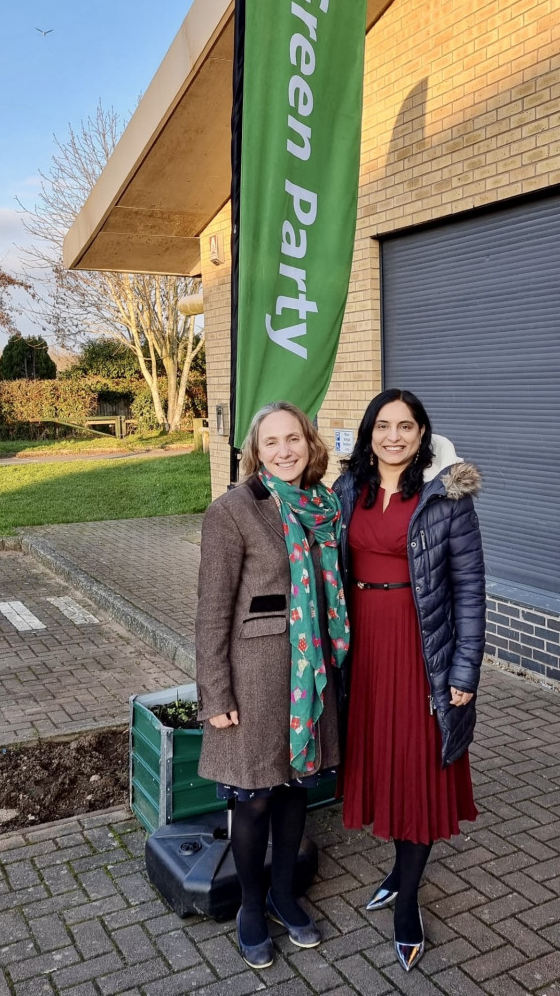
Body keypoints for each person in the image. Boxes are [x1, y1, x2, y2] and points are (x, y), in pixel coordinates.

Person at [334, 388, 485, 973]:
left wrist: (464, 669)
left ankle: (408, 904)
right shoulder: (350, 491)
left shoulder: (446, 498)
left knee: (417, 767)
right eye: (384, 426)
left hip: (424, 650)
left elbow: (469, 590)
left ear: (423, 435)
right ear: (370, 433)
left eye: (406, 426)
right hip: (364, 649)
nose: (394, 436)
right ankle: (398, 871)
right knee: (381, 759)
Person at [195, 401, 349, 969]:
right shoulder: (233, 510)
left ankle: (286, 894)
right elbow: (211, 612)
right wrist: (216, 695)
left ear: (309, 444)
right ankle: (252, 906)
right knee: (255, 798)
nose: (284, 451)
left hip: (311, 678)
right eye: (271, 442)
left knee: (293, 791)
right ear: (254, 453)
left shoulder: (324, 506)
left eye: (294, 439)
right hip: (256, 678)